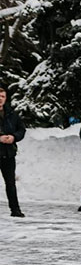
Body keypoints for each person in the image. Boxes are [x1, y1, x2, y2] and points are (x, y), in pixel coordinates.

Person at [0, 87, 25, 217]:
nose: (0, 99)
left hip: (8, 153)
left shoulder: (12, 114)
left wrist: (14, 137)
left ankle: (15, 209)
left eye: (3, 96)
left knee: (10, 183)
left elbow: (21, 130)